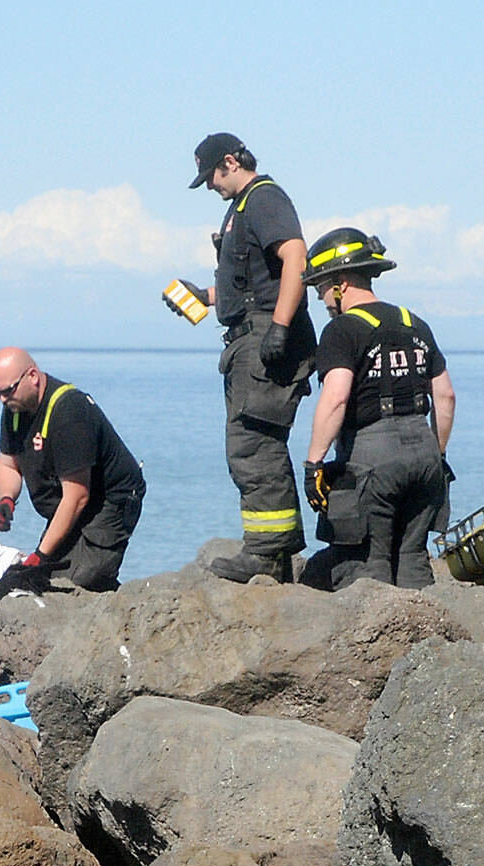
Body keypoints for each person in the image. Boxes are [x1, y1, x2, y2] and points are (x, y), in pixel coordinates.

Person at [174, 132, 317, 582]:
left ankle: (265, 554)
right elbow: (254, 282)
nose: (211, 186)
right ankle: (274, 552)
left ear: (230, 162)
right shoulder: (240, 209)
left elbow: (296, 255)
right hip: (249, 334)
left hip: (264, 338)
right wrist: (205, 296)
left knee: (254, 443)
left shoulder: (263, 198)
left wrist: (279, 325)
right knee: (252, 442)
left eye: (211, 176)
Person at [298, 228, 454, 590]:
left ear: (340, 283)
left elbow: (336, 397)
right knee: (413, 560)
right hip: (425, 458)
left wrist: (313, 464)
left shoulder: (342, 330)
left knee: (367, 567)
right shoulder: (414, 323)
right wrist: (438, 453)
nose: (321, 299)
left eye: (321, 287)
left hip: (373, 461)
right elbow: (445, 397)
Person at [0, 347, 146, 593]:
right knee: (42, 578)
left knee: (79, 582)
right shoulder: (14, 409)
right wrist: (6, 499)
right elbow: (9, 464)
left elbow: (77, 497)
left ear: (32, 376)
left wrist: (40, 554)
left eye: (7, 391)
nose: (2, 400)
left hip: (110, 500)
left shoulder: (69, 412)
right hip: (67, 498)